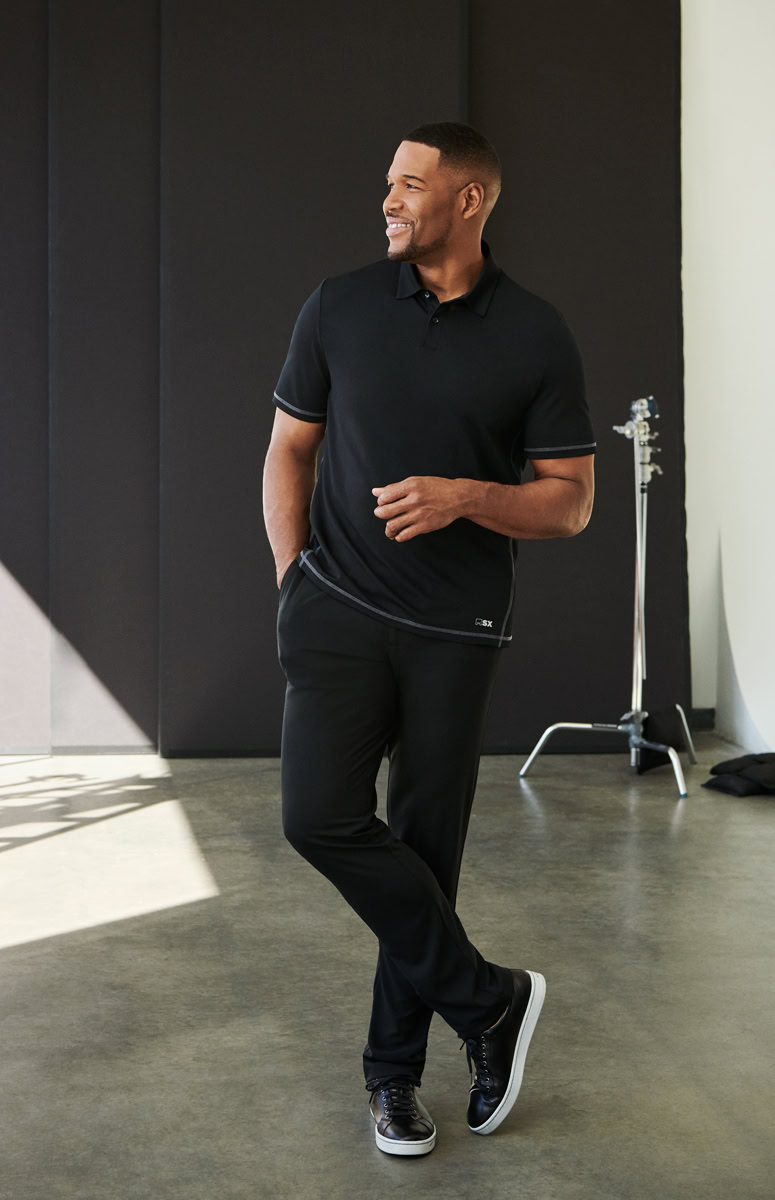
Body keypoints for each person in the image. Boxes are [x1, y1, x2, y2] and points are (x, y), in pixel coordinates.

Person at [262, 121, 595, 1157]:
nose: (388, 201)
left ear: (471, 201)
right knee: (316, 817)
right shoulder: (340, 305)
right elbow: (288, 450)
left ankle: (392, 1079)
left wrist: (466, 497)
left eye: (410, 185)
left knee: (423, 855)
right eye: (388, 184)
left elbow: (571, 503)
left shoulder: (535, 334)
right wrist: (292, 585)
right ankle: (490, 999)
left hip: (457, 631)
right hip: (340, 613)